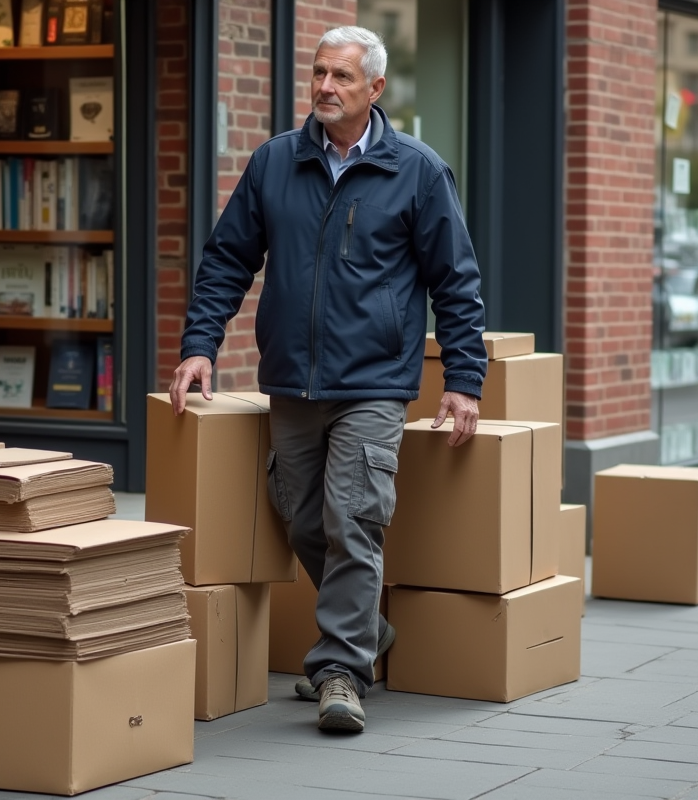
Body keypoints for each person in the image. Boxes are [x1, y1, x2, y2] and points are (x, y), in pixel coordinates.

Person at [169, 25, 487, 733]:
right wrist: (200, 346)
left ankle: (341, 670)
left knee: (353, 516)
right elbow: (227, 261)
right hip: (292, 380)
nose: (324, 88)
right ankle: (368, 627)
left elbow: (456, 282)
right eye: (318, 74)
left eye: (341, 77)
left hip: (373, 381)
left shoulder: (418, 170)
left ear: (374, 89)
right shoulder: (275, 163)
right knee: (301, 514)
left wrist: (464, 378)